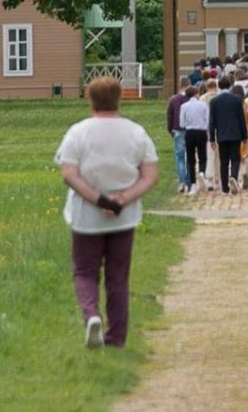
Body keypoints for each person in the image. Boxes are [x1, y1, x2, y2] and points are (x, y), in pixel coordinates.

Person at [55, 77, 160, 350]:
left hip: (86, 215)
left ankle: (91, 315)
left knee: (85, 271)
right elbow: (150, 175)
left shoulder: (78, 132)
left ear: (90, 99)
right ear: (119, 99)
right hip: (124, 216)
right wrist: (122, 198)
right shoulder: (136, 132)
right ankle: (116, 337)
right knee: (117, 275)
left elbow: (69, 174)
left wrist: (97, 199)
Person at [208, 67, 248, 193]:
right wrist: (244, 135)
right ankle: (233, 177)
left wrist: (212, 138)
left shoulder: (214, 101)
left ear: (219, 86)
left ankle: (225, 188)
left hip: (222, 135)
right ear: (230, 85)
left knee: (224, 161)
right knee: (235, 159)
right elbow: (241, 119)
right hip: (235, 134)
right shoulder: (237, 100)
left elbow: (212, 121)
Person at [179, 80, 211, 192]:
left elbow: (182, 123)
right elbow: (207, 120)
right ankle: (202, 171)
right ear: (196, 94)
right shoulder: (203, 105)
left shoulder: (184, 106)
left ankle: (192, 184)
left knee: (191, 159)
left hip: (190, 132)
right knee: (203, 156)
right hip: (201, 132)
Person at [165, 75, 193, 193]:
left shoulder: (173, 99)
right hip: (190, 129)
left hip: (177, 130)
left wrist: (170, 129)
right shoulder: (191, 99)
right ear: (189, 85)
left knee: (180, 157)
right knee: (190, 157)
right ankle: (190, 181)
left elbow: (169, 116)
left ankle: (182, 181)